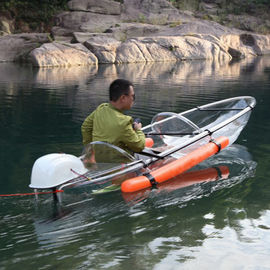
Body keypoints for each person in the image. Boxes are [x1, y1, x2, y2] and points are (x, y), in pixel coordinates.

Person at [81, 79, 146, 158]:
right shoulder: (123, 122)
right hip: (120, 164)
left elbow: (85, 127)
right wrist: (139, 130)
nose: (133, 99)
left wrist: (92, 149)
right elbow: (139, 146)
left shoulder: (101, 109)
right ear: (123, 98)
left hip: (98, 160)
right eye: (132, 96)